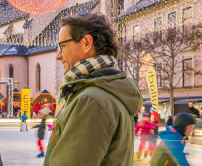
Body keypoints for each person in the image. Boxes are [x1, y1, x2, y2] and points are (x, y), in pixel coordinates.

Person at [45, 12, 142, 166]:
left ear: (86, 43)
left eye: (62, 46)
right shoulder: (111, 92)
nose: (58, 55)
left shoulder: (90, 101)